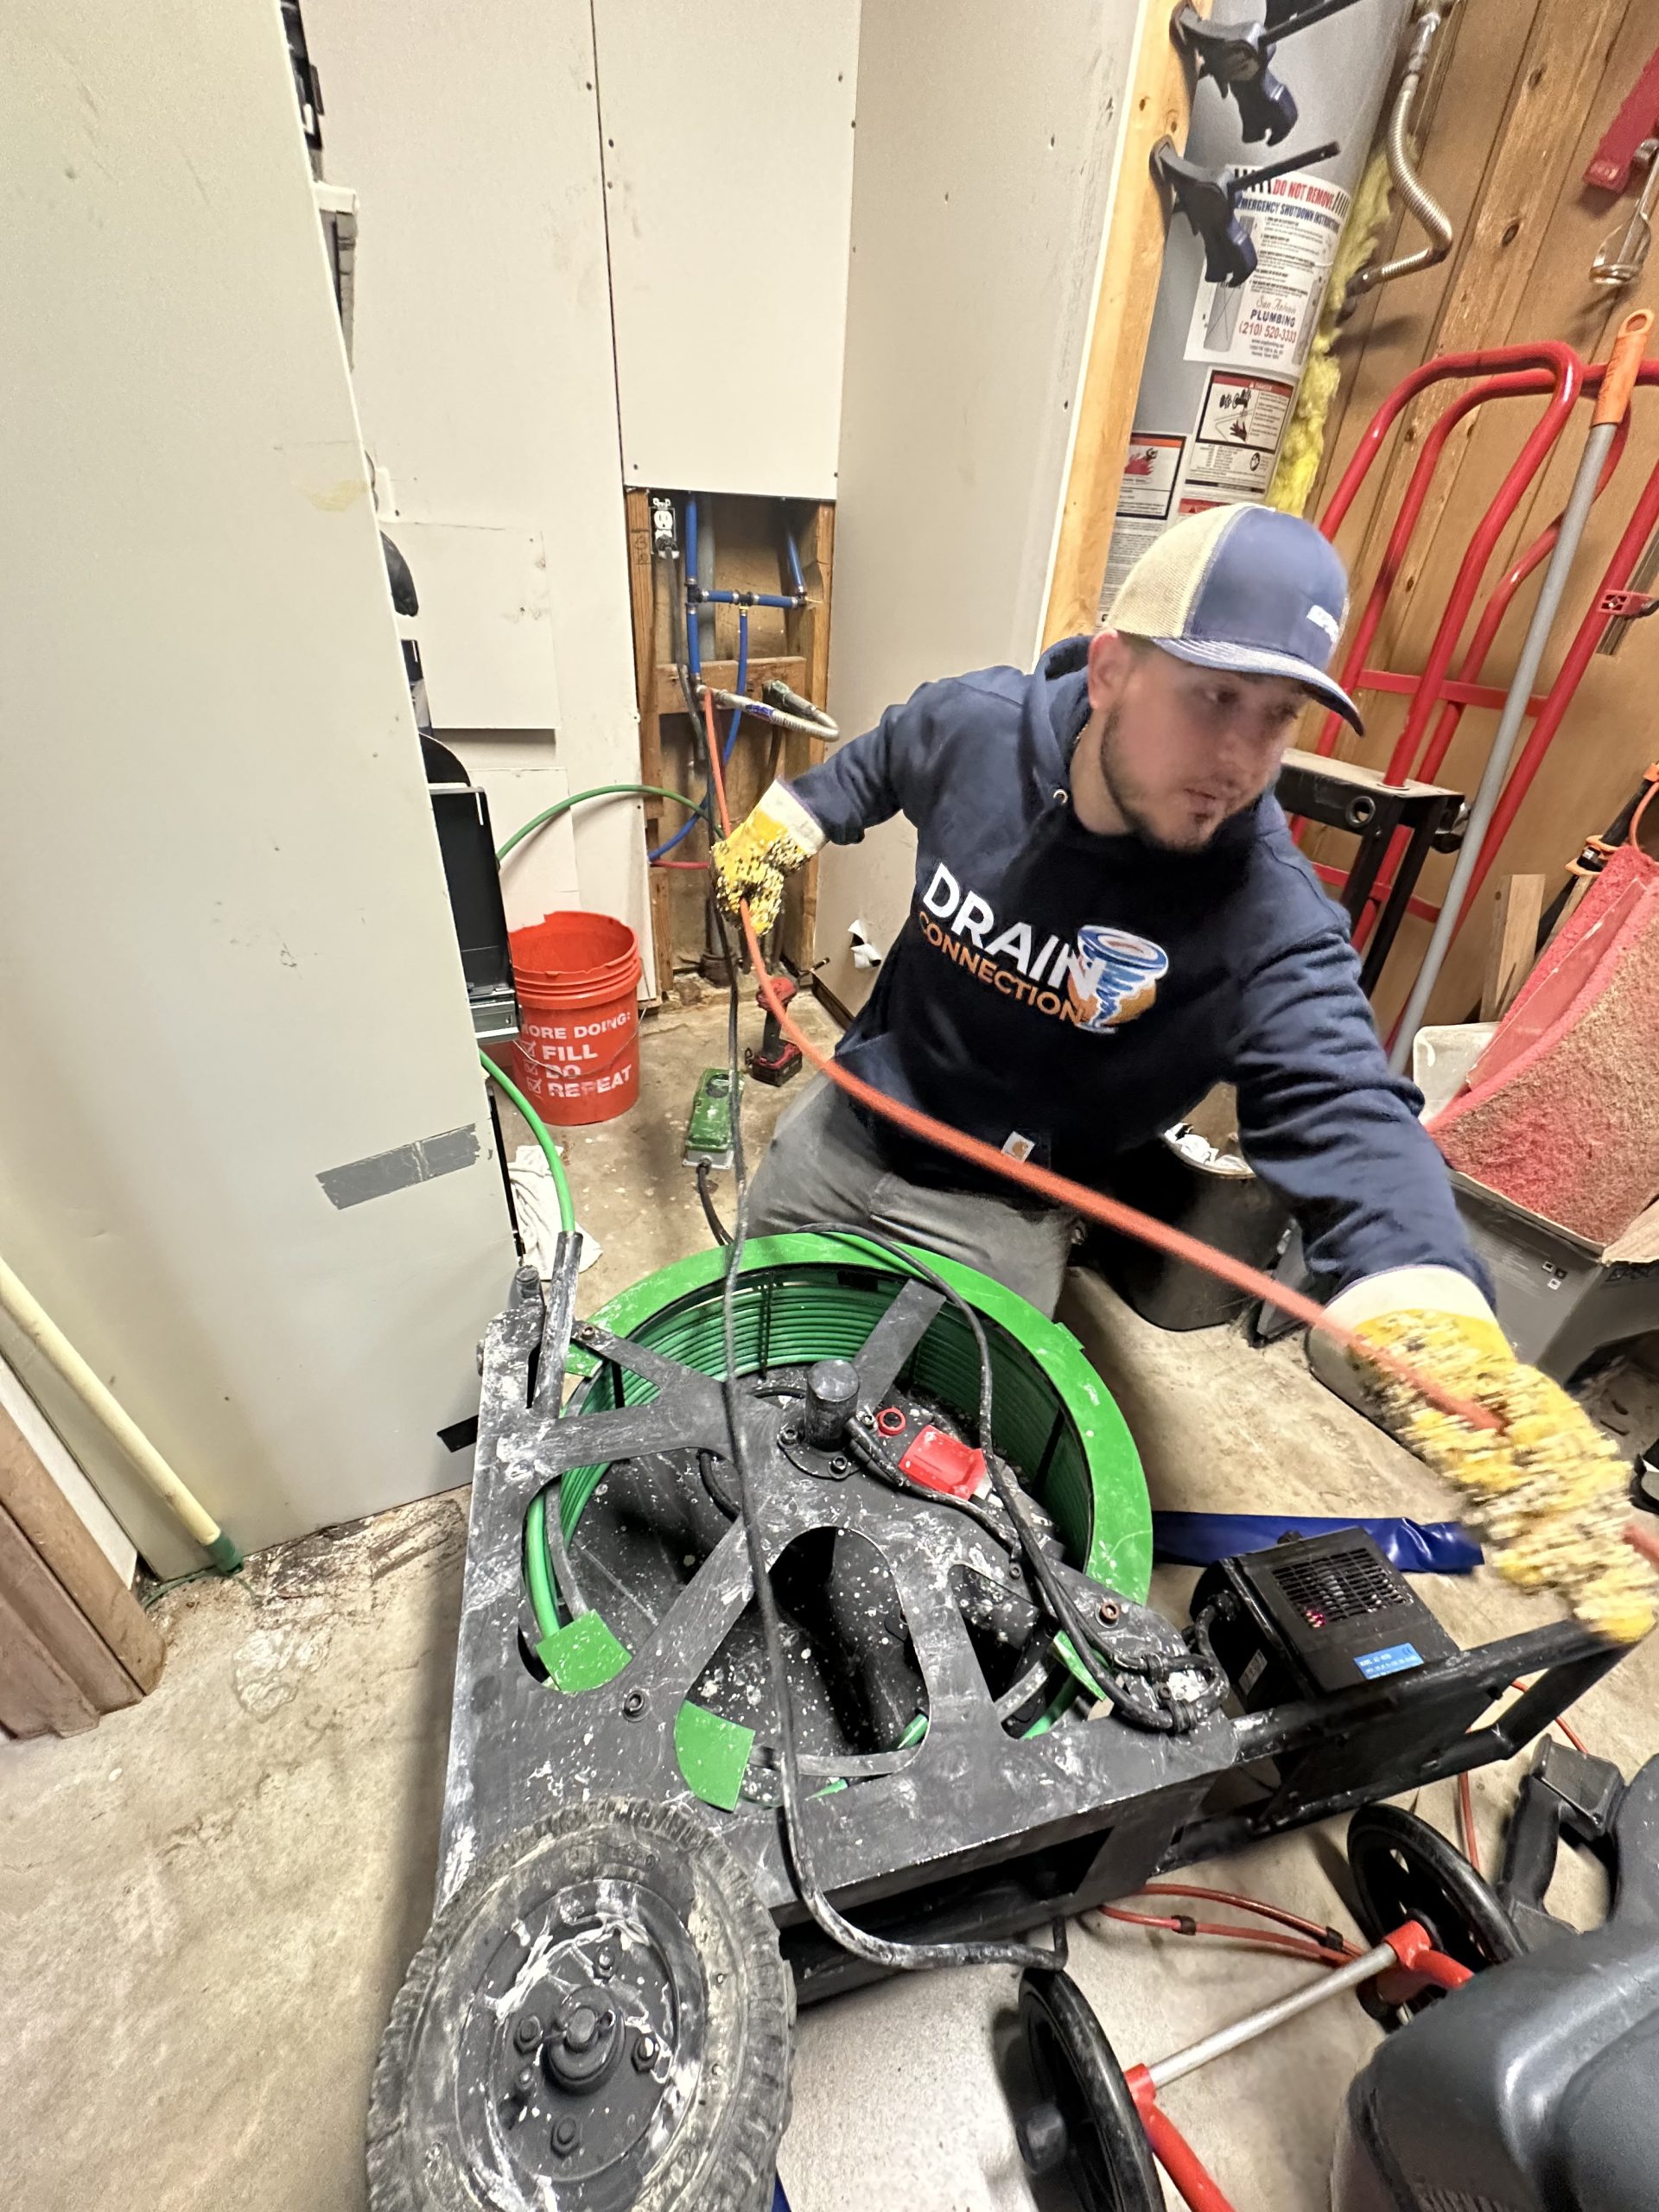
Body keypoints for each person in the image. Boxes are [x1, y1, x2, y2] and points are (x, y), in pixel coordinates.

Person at [711, 503, 1654, 1642]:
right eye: (1214, 698)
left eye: (1278, 716)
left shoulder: (1267, 922)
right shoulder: (977, 728)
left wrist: (1445, 1333)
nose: (1241, 764)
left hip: (1002, 1216)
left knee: (927, 1478)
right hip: (845, 1126)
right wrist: (778, 833)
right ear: (1112, 669)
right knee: (747, 1357)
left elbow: (1353, 1121)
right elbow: (869, 766)